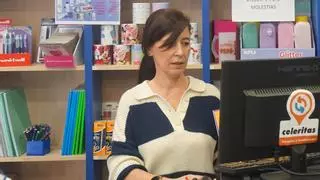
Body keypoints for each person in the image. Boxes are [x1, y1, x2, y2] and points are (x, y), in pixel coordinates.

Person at [107, 9, 220, 180]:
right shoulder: (132, 101)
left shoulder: (210, 96)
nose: (180, 52)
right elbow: (120, 162)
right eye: (170, 44)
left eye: (186, 43)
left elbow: (225, 157)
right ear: (150, 49)